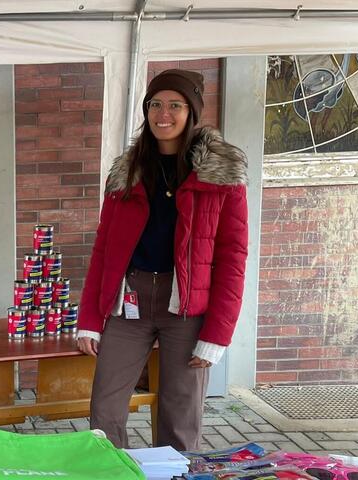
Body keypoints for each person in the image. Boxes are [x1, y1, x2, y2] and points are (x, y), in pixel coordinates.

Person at [75, 69, 248, 450]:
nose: (163, 114)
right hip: (129, 303)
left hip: (185, 307)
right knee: (104, 408)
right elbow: (103, 250)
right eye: (155, 104)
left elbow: (233, 259)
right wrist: (89, 319)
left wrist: (217, 335)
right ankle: (108, 474)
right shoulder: (126, 174)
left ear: (191, 113)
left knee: (180, 413)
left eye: (175, 105)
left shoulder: (221, 179)